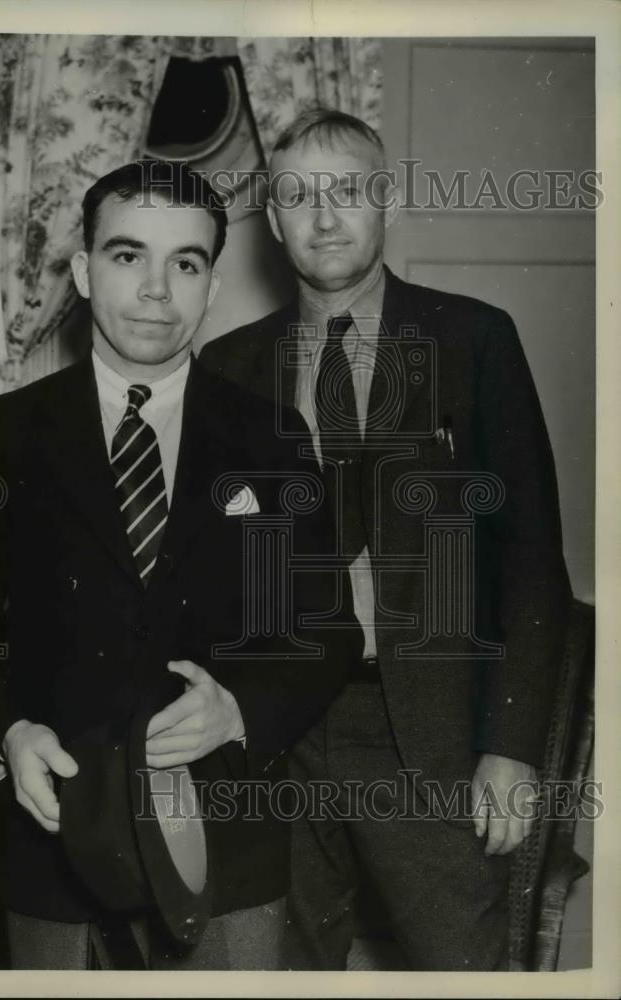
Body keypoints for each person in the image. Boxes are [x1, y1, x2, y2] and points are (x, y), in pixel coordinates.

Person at [0, 159, 360, 970]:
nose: (158, 289)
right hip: (53, 837)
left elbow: (327, 632)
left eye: (185, 263)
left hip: (226, 842)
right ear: (85, 272)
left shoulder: (273, 440)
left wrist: (239, 711)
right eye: (128, 256)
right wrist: (8, 734)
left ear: (212, 287)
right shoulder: (3, 433)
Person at [199, 108, 572, 970]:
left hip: (426, 734)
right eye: (297, 195)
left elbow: (529, 559)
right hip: (275, 736)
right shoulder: (227, 368)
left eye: (348, 191)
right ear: (273, 219)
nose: (323, 217)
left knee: (459, 969)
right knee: (275, 970)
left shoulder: (472, 340)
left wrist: (510, 748)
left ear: (388, 201)